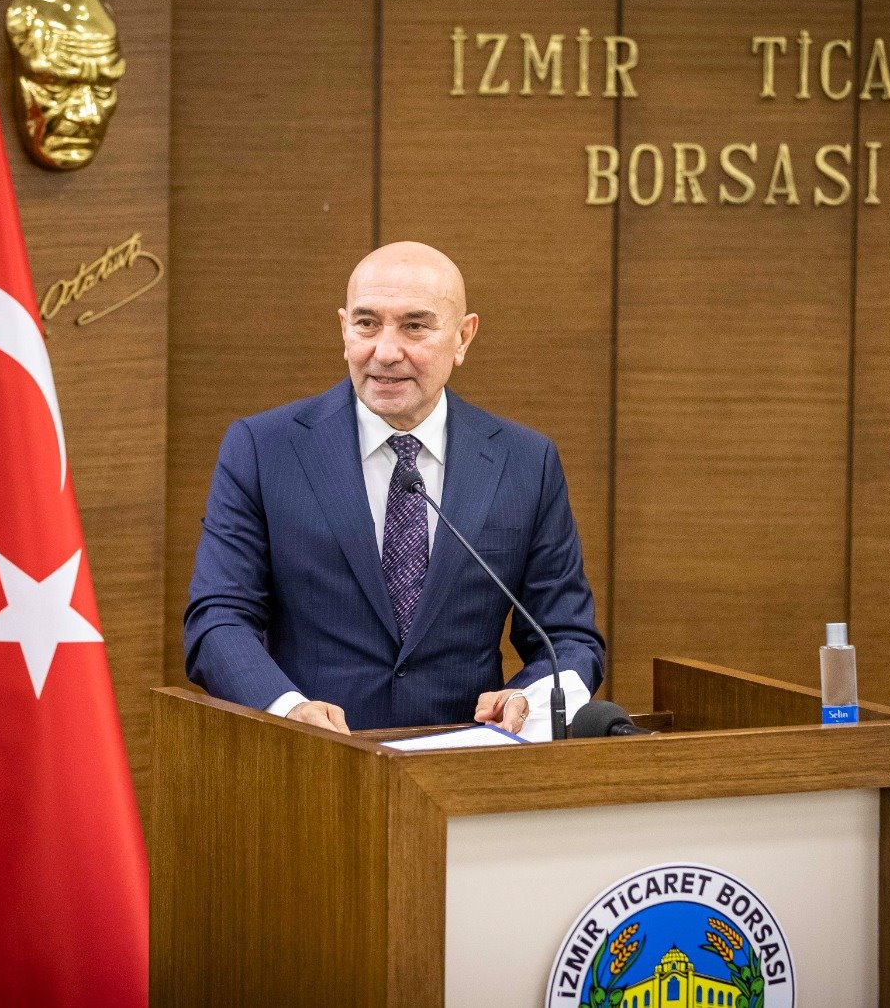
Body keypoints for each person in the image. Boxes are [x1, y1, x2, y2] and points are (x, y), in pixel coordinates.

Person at [183, 241, 604, 734]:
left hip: (463, 761)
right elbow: (218, 618)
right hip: (311, 757)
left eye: (415, 326)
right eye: (367, 324)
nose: (385, 352)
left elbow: (567, 636)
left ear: (463, 337)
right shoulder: (264, 449)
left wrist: (528, 698)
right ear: (344, 330)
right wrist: (288, 709)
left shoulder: (524, 462)